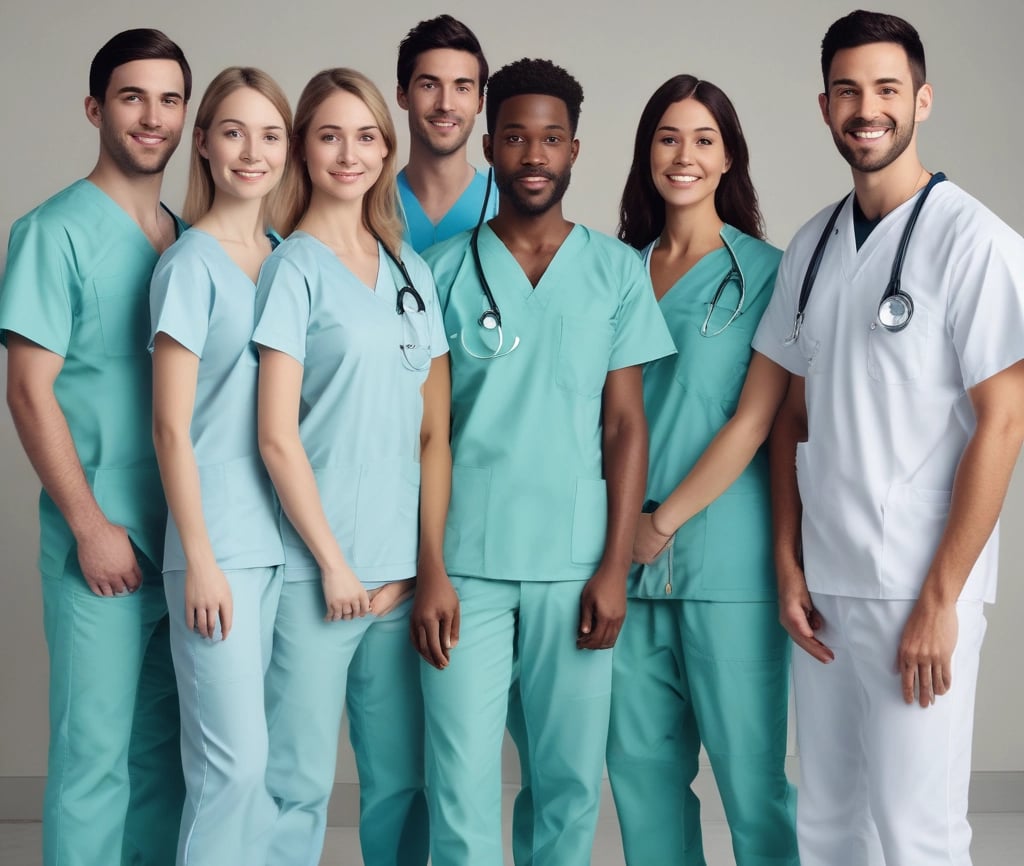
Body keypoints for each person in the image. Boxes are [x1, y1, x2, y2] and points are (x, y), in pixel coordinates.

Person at [752, 11, 1024, 866]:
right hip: (827, 592)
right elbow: (789, 418)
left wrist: (941, 600)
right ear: (825, 104)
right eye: (847, 91)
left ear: (922, 100)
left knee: (918, 833)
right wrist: (789, 563)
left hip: (918, 589)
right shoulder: (812, 245)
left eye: (885, 90)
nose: (865, 108)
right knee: (830, 827)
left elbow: (1005, 420)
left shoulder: (975, 242)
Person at [416, 58, 676, 866]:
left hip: (574, 566)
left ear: (575, 151)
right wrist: (429, 567)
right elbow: (424, 434)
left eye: (552, 139)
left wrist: (611, 567)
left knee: (567, 784)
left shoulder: (616, 272)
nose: (535, 154)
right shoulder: (440, 270)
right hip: (466, 566)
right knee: (458, 783)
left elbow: (626, 426)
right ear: (490, 146)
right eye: (518, 137)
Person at [0, 28, 189, 866]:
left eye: (170, 99)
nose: (153, 117)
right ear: (94, 108)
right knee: (93, 758)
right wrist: (87, 525)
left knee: (166, 761)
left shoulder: (186, 238)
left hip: (181, 536)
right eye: (132, 97)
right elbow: (27, 389)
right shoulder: (53, 231)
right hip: (101, 537)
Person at [253, 67, 449, 866]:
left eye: (366, 136)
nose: (349, 152)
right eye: (330, 134)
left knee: (402, 782)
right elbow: (274, 435)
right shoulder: (289, 268)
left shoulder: (411, 270)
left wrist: (420, 564)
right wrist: (333, 565)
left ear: (386, 148)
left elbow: (433, 433)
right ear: (303, 147)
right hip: (315, 577)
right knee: (295, 781)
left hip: (396, 577)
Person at [605, 74, 799, 866]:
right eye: (667, 138)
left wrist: (659, 523)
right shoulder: (614, 271)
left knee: (752, 786)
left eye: (703, 140)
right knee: (642, 777)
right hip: (620, 562)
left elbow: (755, 420)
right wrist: (625, 540)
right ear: (646, 153)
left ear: (729, 159)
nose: (683, 156)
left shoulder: (773, 273)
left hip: (725, 563)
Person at [149, 66, 294, 865]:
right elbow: (171, 427)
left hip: (280, 547)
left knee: (263, 769)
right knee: (227, 771)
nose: (252, 151)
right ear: (202, 143)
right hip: (217, 551)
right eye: (233, 131)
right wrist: (198, 560)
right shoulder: (190, 264)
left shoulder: (284, 259)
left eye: (269, 134)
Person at [396, 14, 497, 251]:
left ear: (480, 103)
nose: (445, 104)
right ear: (403, 96)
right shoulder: (371, 204)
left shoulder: (506, 202)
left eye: (462, 88)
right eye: (429, 85)